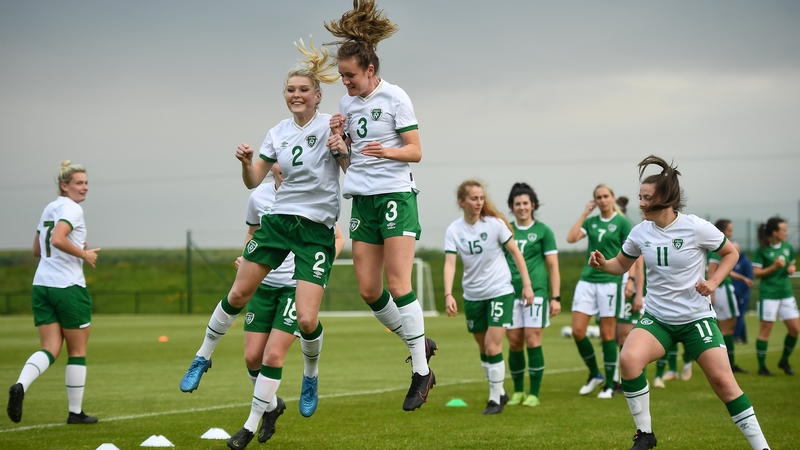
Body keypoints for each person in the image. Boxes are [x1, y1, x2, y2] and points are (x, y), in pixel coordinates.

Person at [176, 39, 342, 450]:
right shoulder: (277, 132)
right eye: (291, 90)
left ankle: (310, 375)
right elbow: (254, 181)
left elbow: (351, 168)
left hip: (316, 230)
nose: (296, 95)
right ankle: (203, 356)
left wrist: (342, 146)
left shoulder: (332, 125)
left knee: (307, 321)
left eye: (304, 89)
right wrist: (245, 162)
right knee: (237, 293)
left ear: (318, 95)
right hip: (279, 224)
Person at [590, 155, 770, 450]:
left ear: (665, 198)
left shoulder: (695, 227)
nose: (641, 203)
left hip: (696, 319)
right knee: (629, 360)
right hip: (658, 320)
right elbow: (620, 265)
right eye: (640, 197)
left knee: (725, 384)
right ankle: (645, 434)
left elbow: (731, 253)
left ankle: (762, 447)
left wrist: (713, 282)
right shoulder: (640, 232)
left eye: (646, 198)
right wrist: (603, 264)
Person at [325, 0, 436, 412]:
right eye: (342, 76)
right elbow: (350, 163)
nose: (345, 83)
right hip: (363, 201)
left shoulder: (395, 97)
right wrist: (339, 146)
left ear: (369, 70)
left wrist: (386, 151)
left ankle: (421, 371)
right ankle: (418, 342)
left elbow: (416, 151)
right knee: (369, 290)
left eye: (350, 76)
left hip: (395, 197)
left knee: (399, 283)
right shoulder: (345, 106)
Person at [231, 164, 346, 447]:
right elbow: (252, 234)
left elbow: (338, 237)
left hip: (294, 288)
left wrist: (318, 267)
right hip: (263, 288)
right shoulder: (259, 197)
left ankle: (250, 425)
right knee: (252, 359)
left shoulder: (308, 194)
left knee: (272, 357)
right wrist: (246, 258)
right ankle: (272, 407)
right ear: (272, 165)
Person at [7, 161, 100, 425]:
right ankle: (75, 413)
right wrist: (84, 253)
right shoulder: (73, 209)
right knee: (77, 350)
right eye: (79, 183)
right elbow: (58, 239)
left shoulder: (50, 207)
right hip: (67, 286)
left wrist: (75, 245)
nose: (85, 187)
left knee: (49, 348)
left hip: (42, 285)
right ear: (64, 186)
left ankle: (20, 385)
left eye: (86, 183)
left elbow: (38, 249)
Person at [443, 180, 533, 415]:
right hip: (473, 296)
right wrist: (448, 294)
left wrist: (527, 285)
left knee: (493, 347)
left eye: (481, 198)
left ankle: (494, 400)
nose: (479, 202)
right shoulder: (454, 230)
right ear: (462, 201)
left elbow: (516, 253)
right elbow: (450, 263)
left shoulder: (495, 224)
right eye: (474, 198)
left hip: (499, 291)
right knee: (483, 348)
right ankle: (500, 391)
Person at [566, 184, 633, 398]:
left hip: (611, 281)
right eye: (599, 197)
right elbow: (571, 238)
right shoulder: (591, 221)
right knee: (577, 331)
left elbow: (633, 253)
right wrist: (585, 213)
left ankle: (610, 386)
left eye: (605, 196)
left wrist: (631, 280)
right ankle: (595, 374)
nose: (603, 200)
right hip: (587, 281)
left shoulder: (622, 222)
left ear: (612, 197)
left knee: (607, 334)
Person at [503, 182, 561, 407]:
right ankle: (518, 391)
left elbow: (553, 266)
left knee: (533, 339)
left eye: (525, 203)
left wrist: (555, 297)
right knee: (514, 342)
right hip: (510, 292)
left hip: (536, 292)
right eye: (517, 204)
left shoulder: (544, 231)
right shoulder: (505, 229)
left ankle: (534, 393)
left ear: (533, 205)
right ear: (511, 206)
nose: (522, 207)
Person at [753, 217, 798, 376]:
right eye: (784, 230)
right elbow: (756, 273)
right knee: (765, 330)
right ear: (774, 232)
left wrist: (791, 268)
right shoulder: (761, 249)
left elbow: (791, 263)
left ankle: (784, 360)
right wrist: (774, 267)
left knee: (795, 330)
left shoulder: (787, 247)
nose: (786, 233)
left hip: (786, 293)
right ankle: (762, 367)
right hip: (769, 295)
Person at [708, 219, 748, 374]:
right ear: (722, 231)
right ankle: (729, 366)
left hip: (719, 289)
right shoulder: (718, 247)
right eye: (729, 230)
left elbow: (724, 270)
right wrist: (712, 293)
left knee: (721, 329)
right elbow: (712, 271)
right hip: (722, 290)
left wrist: (742, 278)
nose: (731, 234)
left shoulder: (713, 246)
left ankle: (721, 365)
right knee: (728, 329)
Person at [731, 241, 754, 344]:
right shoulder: (731, 260)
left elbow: (750, 279)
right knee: (737, 316)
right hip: (733, 293)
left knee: (739, 316)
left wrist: (742, 291)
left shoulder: (745, 262)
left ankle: (735, 337)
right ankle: (743, 337)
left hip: (742, 294)